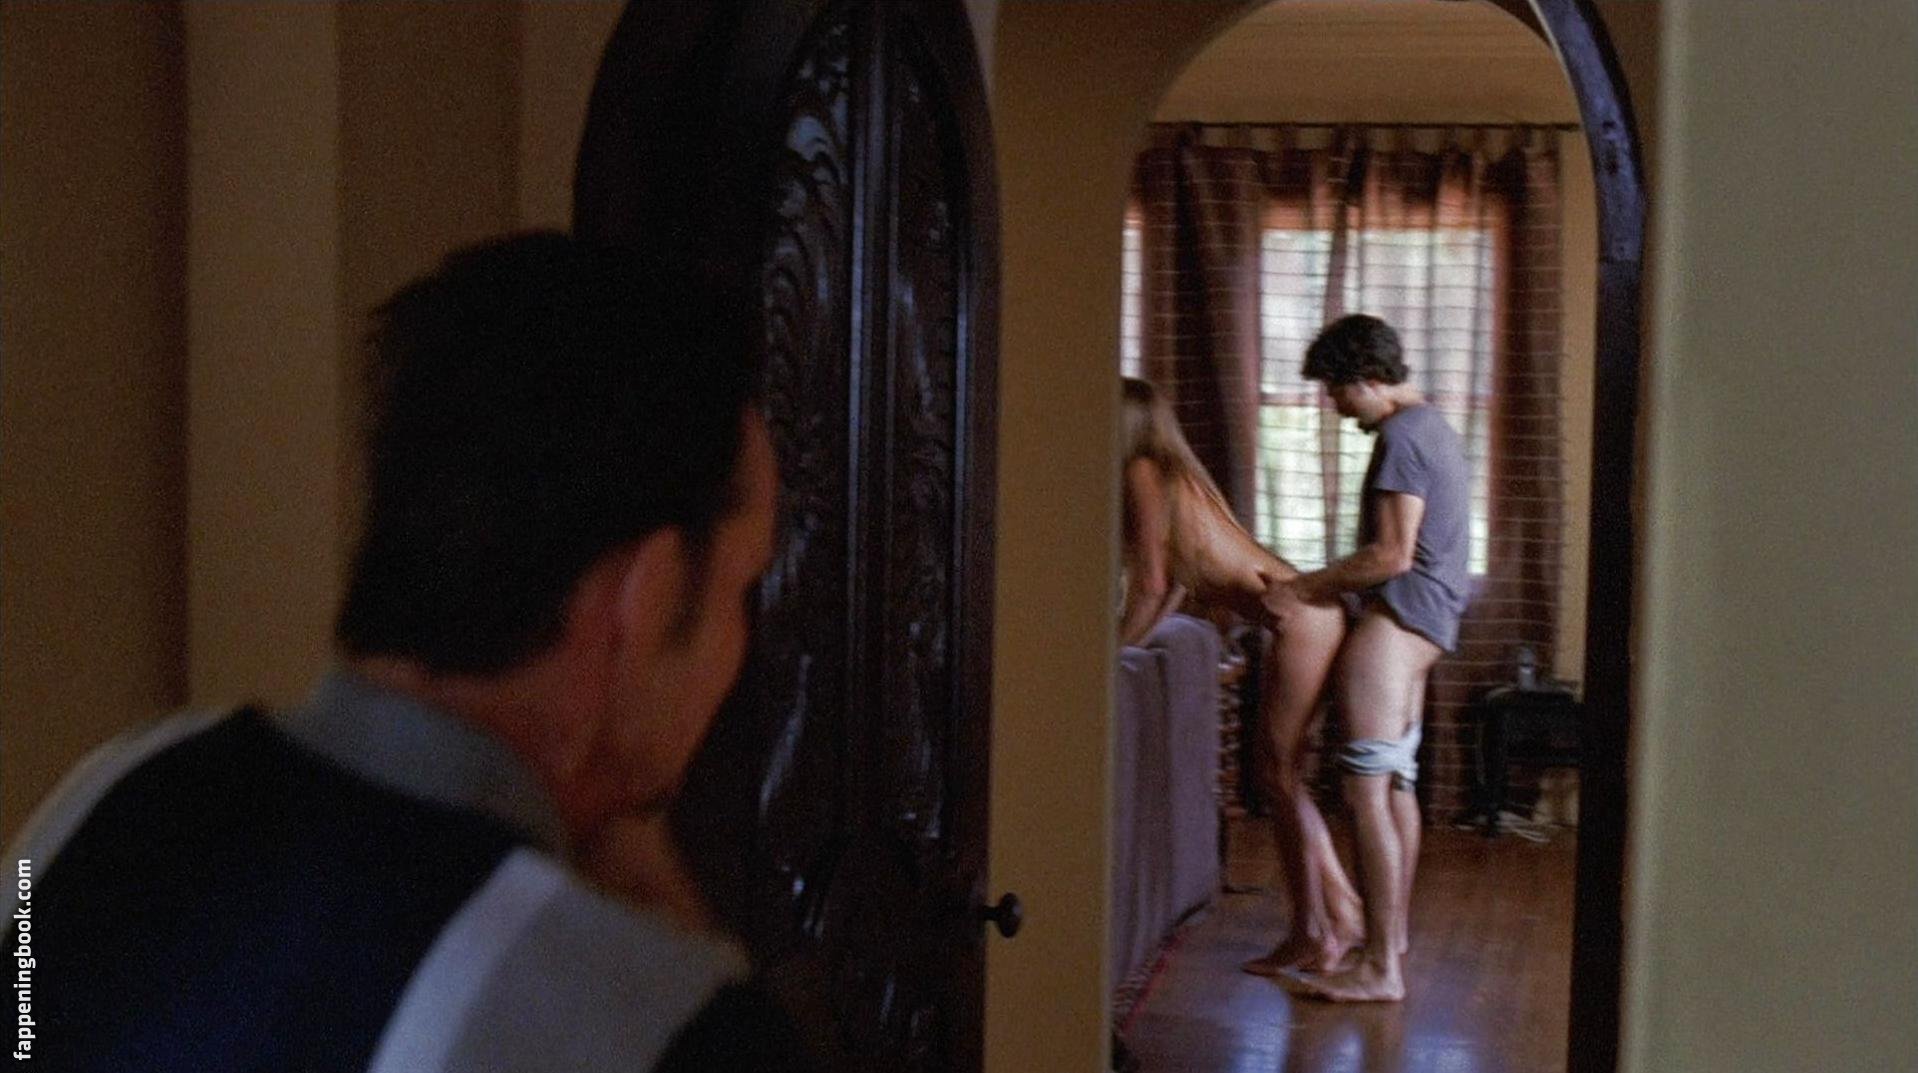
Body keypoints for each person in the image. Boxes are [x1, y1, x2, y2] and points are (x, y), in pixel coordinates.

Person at [2, 233, 816, 1070]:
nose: (740, 642)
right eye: (740, 587)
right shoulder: (650, 1018)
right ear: (646, 598)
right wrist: (674, 945)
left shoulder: (101, 803)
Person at [1117, 376, 1364, 973]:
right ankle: (1340, 914)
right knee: (1283, 777)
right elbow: (1175, 585)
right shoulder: (1175, 476)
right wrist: (1129, 644)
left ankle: (1317, 932)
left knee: (1278, 777)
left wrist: (1111, 653)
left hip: (1302, 620)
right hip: (1309, 616)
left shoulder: (1142, 473)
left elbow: (1150, 583)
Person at [1264, 313, 1472, 1003]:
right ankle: (1392, 939)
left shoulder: (1402, 438)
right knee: (1396, 786)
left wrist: (1301, 588)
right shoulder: (1432, 426)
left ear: (1370, 379)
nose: (1334, 405)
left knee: (1364, 794)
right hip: (1429, 624)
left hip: (1397, 625)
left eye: (1337, 390)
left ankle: (1381, 967)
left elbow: (1390, 554)